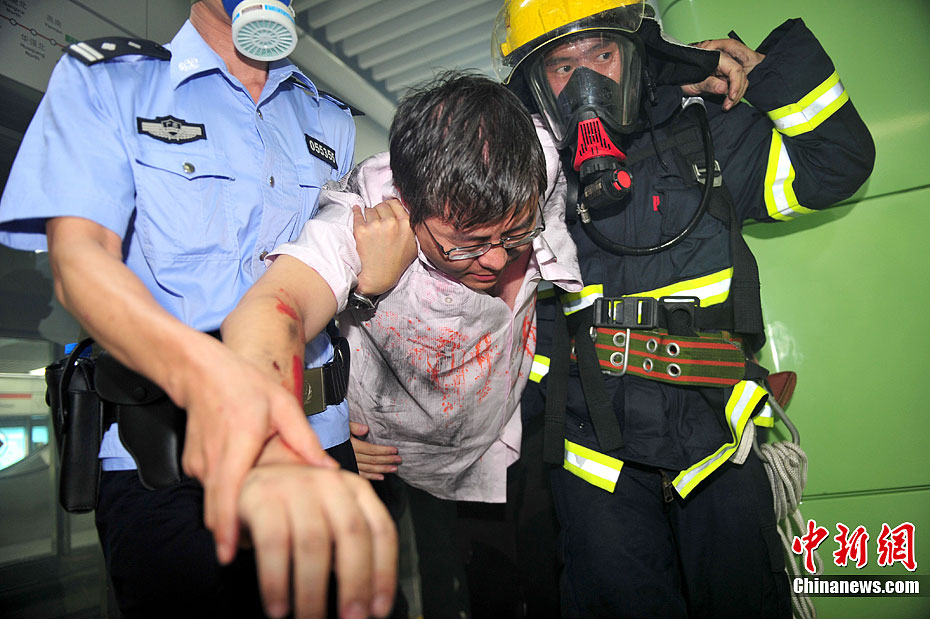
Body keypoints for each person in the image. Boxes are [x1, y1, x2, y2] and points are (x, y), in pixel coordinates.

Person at [0, 1, 397, 617]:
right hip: (162, 460)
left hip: (319, 438)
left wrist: (358, 402)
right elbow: (80, 264)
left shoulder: (330, 119)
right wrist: (216, 386)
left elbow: (329, 284)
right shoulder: (110, 81)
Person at [490, 1, 875, 617]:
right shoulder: (525, 179)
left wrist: (759, 69)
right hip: (592, 455)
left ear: (636, 52)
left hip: (717, 439)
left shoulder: (705, 131)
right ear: (535, 85)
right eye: (563, 67)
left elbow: (838, 162)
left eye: (602, 55)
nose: (586, 83)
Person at [222, 71, 583, 618]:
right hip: (401, 452)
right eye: (466, 244)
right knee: (437, 584)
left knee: (533, 579)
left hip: (504, 423)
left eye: (515, 235)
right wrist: (282, 439)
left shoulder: (539, 155)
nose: (495, 260)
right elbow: (276, 308)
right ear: (409, 203)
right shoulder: (359, 222)